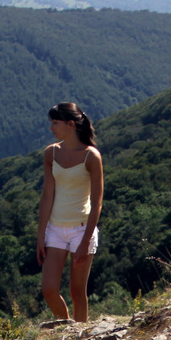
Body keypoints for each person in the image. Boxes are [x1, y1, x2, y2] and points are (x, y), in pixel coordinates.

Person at [36, 102, 103, 322]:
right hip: (55, 229)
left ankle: (81, 338)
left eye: (55, 123)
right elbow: (47, 196)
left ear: (70, 124)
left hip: (81, 230)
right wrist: (41, 236)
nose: (51, 128)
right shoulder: (51, 153)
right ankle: (66, 330)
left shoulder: (91, 157)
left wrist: (85, 241)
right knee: (49, 289)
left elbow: (97, 203)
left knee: (77, 292)